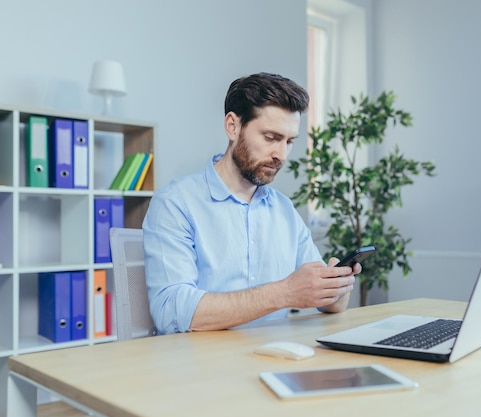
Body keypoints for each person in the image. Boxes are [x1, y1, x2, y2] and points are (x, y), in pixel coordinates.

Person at [142, 72, 359, 334]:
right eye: (270, 138)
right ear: (233, 126)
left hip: (273, 357)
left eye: (289, 142)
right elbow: (171, 313)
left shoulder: (284, 210)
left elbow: (328, 305)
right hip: (201, 366)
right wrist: (284, 293)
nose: (281, 155)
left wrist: (335, 286)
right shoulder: (175, 204)